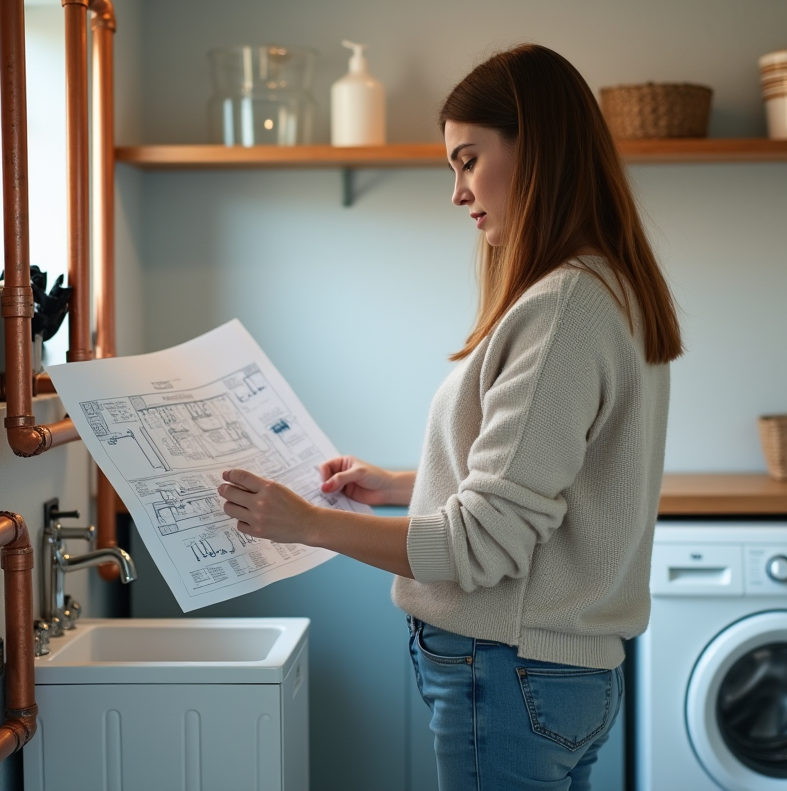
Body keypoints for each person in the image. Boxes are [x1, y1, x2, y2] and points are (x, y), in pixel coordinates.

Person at [216, 43, 682, 791]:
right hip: (564, 676)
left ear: (539, 148)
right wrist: (402, 483)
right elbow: (543, 486)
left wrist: (305, 523)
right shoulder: (609, 288)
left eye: (468, 160)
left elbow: (481, 547)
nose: (459, 191)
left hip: (509, 672)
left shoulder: (561, 308)